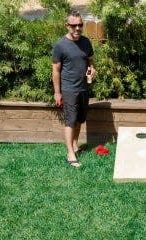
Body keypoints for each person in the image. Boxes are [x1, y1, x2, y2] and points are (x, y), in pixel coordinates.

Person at [52, 11, 97, 169]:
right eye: (74, 25)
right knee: (70, 121)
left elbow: (90, 61)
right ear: (67, 26)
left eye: (80, 25)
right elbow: (56, 70)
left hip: (84, 87)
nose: (78, 28)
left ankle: (76, 145)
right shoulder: (60, 45)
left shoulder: (85, 42)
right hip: (69, 89)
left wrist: (92, 69)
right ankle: (70, 154)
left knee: (79, 119)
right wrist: (57, 92)